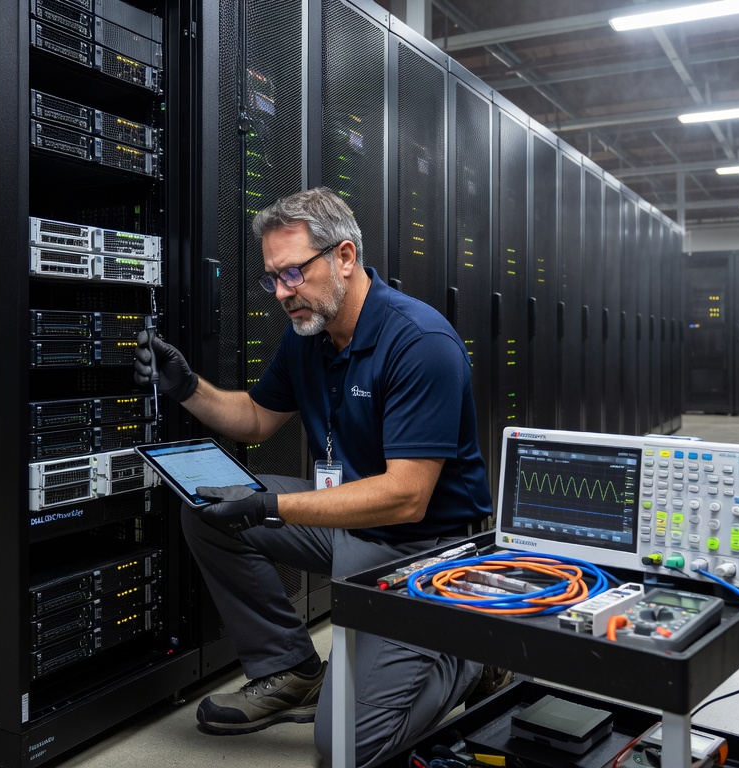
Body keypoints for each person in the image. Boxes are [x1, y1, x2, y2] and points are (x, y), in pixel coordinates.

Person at [134, 187, 499, 767]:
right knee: (205, 510)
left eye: (294, 273)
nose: (283, 293)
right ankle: (290, 669)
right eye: (274, 278)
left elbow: (406, 498)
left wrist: (268, 507)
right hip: (352, 522)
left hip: (426, 548)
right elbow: (254, 421)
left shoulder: (420, 343)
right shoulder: (309, 335)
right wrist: (187, 388)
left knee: (348, 750)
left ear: (345, 257)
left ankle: (469, 655)